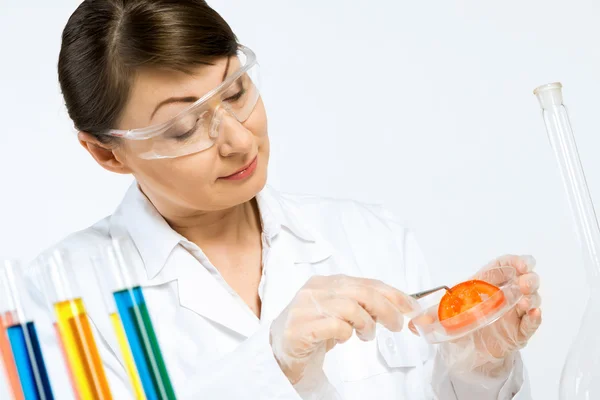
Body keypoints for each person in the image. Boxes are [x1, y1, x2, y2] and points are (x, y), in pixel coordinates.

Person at [24, 0, 542, 399]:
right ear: (107, 153)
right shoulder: (54, 305)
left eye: (235, 92)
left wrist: (475, 365)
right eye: (183, 128)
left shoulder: (368, 236)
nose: (240, 141)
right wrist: (271, 365)